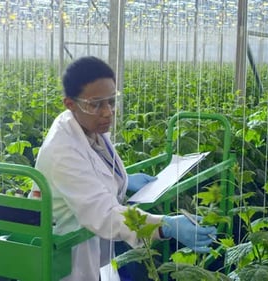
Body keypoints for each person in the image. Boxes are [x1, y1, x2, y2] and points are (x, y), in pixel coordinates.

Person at [29, 56, 216, 281]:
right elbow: (105, 215)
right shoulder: (62, 152)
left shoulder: (85, 124)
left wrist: (123, 180)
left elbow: (93, 166)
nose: (108, 112)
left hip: (90, 246)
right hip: (65, 257)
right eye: (96, 104)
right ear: (70, 104)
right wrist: (166, 225)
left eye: (111, 101)